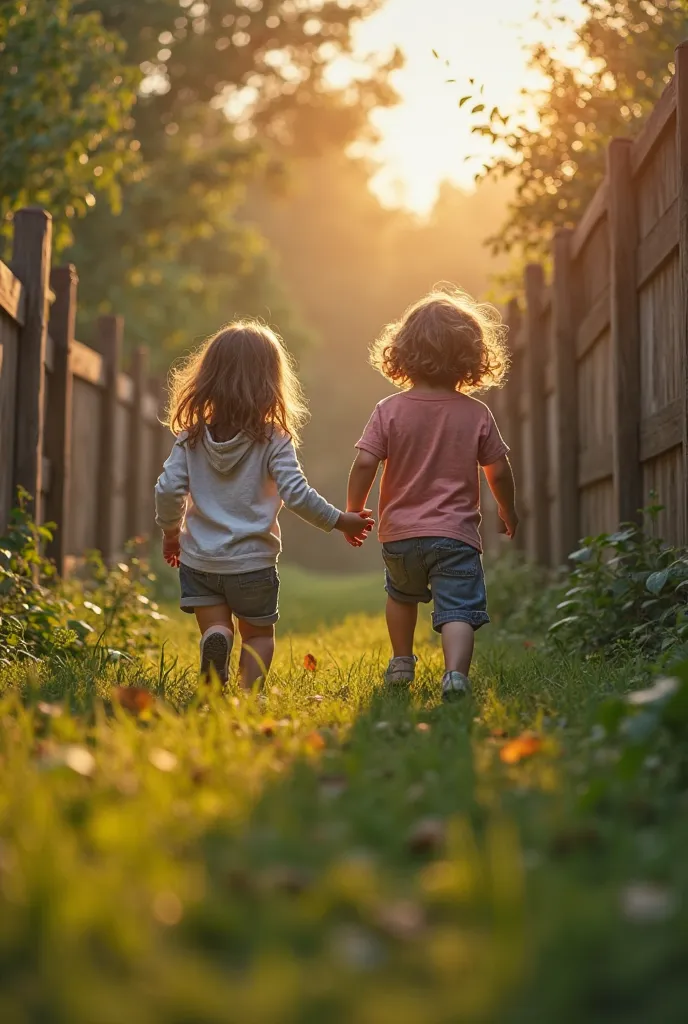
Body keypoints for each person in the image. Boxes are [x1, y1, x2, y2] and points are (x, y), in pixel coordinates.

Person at [155, 320, 373, 690]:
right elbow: (297, 494)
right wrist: (340, 521)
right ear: (271, 380)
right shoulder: (274, 438)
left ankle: (216, 640)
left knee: (217, 626)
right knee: (257, 635)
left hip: (200, 560)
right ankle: (245, 696)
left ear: (207, 376)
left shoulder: (190, 436)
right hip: (252, 563)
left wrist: (171, 532)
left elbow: (168, 488)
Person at [346, 288, 518, 701]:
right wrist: (509, 511)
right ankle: (455, 675)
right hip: (455, 535)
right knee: (457, 608)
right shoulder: (476, 413)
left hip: (400, 534)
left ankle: (401, 661)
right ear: (471, 356)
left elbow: (366, 463)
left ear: (403, 352)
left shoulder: (388, 409)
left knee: (401, 596)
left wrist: (354, 509)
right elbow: (498, 470)